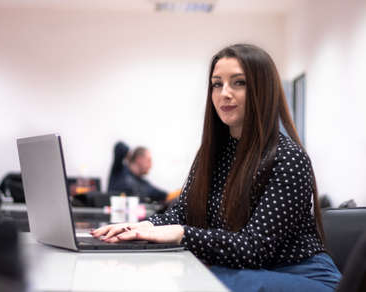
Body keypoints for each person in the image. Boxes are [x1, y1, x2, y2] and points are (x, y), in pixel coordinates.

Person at [92, 44, 341, 291]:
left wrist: (180, 233)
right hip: (244, 272)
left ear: (262, 90)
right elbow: (182, 214)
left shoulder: (288, 158)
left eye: (239, 82)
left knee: (199, 279)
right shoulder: (211, 154)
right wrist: (142, 228)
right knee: (188, 274)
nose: (224, 93)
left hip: (303, 277)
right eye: (217, 84)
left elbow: (253, 249)